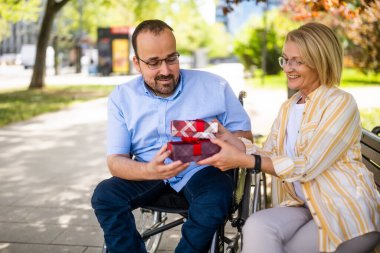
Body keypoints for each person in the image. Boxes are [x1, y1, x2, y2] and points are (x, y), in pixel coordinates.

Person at [198, 22, 380, 253]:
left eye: (298, 61)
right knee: (257, 225)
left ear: (321, 61)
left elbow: (308, 165)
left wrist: (247, 161)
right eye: (285, 59)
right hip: (307, 205)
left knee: (287, 249)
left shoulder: (340, 103)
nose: (287, 68)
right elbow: (270, 153)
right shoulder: (289, 106)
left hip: (345, 209)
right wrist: (231, 140)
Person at [91, 19, 252, 253]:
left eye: (171, 59)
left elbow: (245, 138)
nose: (165, 71)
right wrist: (148, 170)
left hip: (202, 170)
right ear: (137, 63)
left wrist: (221, 137)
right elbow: (115, 161)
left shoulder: (214, 86)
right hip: (148, 170)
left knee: (215, 198)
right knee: (105, 195)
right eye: (154, 63)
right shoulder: (122, 98)